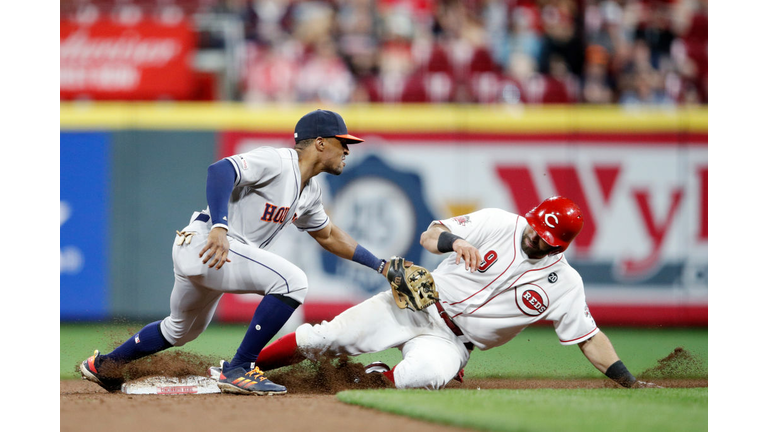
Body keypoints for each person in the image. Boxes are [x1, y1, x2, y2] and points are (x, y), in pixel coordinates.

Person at [80, 109, 393, 395]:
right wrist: (220, 226)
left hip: (209, 254)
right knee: (292, 281)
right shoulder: (279, 161)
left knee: (181, 330)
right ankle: (240, 368)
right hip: (209, 243)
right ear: (321, 143)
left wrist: (382, 266)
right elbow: (220, 171)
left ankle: (105, 364)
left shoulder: (309, 191)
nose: (348, 150)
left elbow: (328, 235)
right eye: (343, 142)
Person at [250, 196, 657, 389]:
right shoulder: (500, 222)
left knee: (421, 377)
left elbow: (589, 337)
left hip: (454, 343)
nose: (535, 236)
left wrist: (630, 382)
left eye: (545, 236)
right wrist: (452, 243)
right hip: (416, 305)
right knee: (326, 338)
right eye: (535, 226)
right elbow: (431, 234)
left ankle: (374, 377)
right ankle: (242, 367)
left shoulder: (566, 284)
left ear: (561, 244)